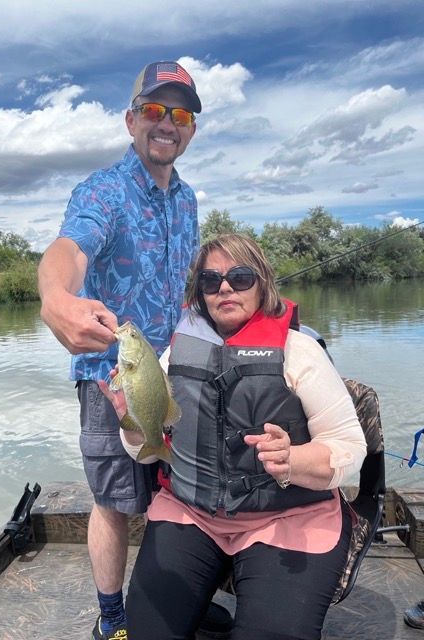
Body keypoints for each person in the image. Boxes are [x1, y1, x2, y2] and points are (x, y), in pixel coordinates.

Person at [107, 233, 368, 640]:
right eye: (211, 281)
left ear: (262, 282)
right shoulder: (173, 356)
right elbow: (144, 454)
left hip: (288, 517)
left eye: (240, 277)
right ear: (201, 292)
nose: (224, 288)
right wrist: (132, 421)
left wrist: (293, 459)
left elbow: (351, 447)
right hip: (191, 511)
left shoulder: (300, 352)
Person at [38, 60, 202, 640]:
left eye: (180, 114)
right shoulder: (102, 191)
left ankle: (177, 597)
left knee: (180, 493)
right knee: (114, 501)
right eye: (155, 110)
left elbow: (190, 289)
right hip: (115, 378)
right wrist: (55, 295)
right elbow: (70, 249)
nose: (167, 123)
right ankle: (111, 616)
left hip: (178, 376)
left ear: (191, 129)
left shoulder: (188, 202)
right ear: (131, 120)